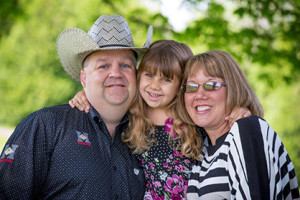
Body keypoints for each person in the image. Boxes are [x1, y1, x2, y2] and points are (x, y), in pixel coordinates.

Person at [69, 41, 251, 199]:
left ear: (181, 84)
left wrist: (240, 110)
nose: (154, 86)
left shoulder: (193, 120)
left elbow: (221, 125)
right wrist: (84, 96)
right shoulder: (130, 115)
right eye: (148, 75)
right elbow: (103, 101)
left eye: (165, 79)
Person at [0, 14, 153, 199]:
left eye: (125, 65)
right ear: (84, 79)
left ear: (136, 77)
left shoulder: (147, 138)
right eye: (103, 66)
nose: (115, 73)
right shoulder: (46, 126)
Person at [178, 50, 300, 199]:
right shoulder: (202, 148)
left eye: (211, 85)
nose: (199, 94)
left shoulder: (247, 131)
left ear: (233, 88)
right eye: (191, 87)